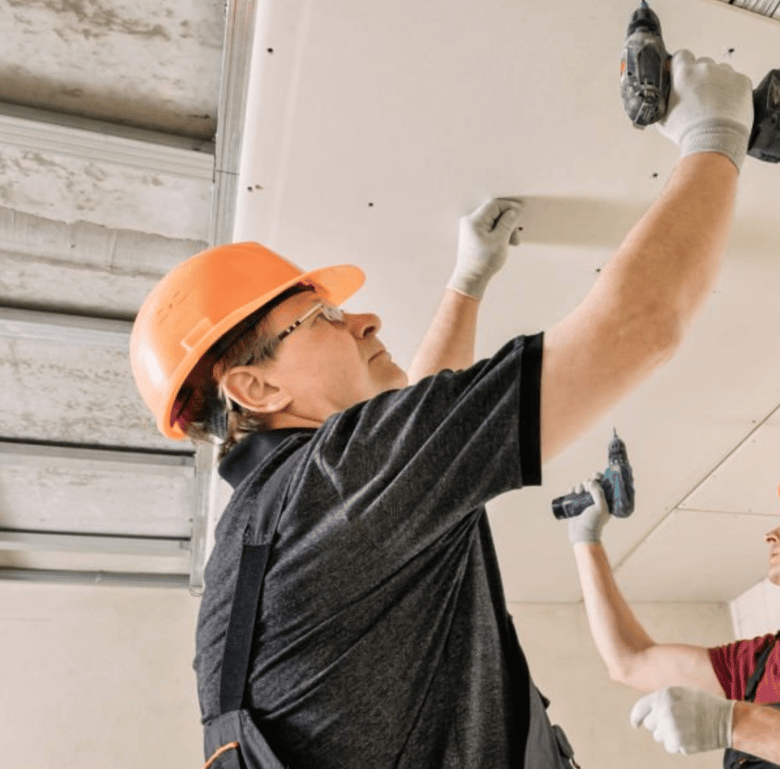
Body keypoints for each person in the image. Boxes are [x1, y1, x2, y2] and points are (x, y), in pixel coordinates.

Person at [130, 50, 754, 769]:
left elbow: (418, 453)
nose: (362, 318)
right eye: (325, 315)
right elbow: (638, 327)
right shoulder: (335, 484)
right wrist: (716, 132)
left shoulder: (262, 544)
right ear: (256, 389)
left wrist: (468, 281)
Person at [566, 474, 780, 765]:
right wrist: (586, 540)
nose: (771, 534)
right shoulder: (761, 661)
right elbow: (631, 662)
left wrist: (735, 723)